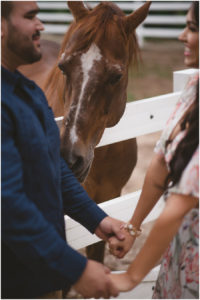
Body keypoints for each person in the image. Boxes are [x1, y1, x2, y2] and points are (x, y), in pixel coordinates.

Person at [1, 1, 126, 299]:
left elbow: (53, 166)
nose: (41, 27)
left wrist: (96, 218)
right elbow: (7, 203)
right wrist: (76, 268)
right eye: (30, 17)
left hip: (41, 277)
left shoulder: (28, 92)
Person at [108, 1, 199, 299]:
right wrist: (133, 228)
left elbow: (182, 201)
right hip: (180, 247)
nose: (181, 36)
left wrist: (131, 278)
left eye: (192, 28)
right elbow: (162, 160)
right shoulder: (194, 89)